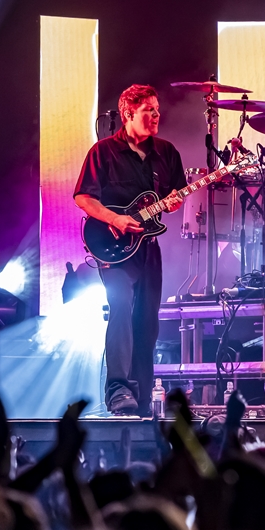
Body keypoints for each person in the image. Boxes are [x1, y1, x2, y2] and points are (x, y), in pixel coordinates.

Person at [74, 85, 185, 416]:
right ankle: (118, 389)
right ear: (127, 114)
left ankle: (141, 391)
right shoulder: (103, 152)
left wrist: (176, 202)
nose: (156, 116)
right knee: (121, 307)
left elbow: (173, 198)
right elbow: (83, 197)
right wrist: (115, 219)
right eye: (148, 110)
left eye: (157, 109)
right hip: (112, 247)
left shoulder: (166, 153)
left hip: (148, 248)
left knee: (148, 320)